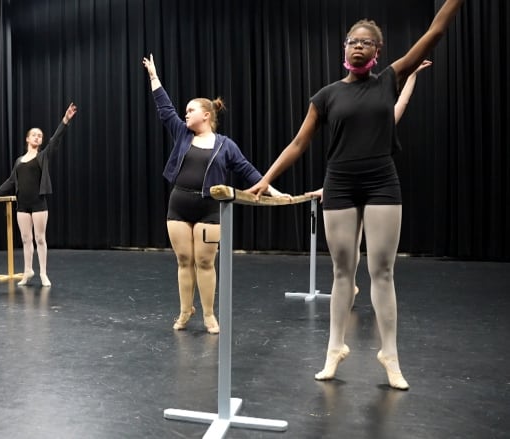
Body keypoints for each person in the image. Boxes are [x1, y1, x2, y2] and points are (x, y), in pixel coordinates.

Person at [245, 0, 464, 390]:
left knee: (382, 271)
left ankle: (390, 355)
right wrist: (266, 178)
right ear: (343, 49)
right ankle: (334, 350)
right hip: (340, 184)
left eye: (366, 42)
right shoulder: (326, 95)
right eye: (352, 41)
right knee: (342, 271)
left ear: (377, 52)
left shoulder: (389, 79)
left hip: (382, 181)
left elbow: (435, 33)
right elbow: (298, 143)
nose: (358, 46)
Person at [142, 54, 287, 335]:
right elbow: (164, 108)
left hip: (209, 208)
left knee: (206, 262)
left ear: (206, 115)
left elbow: (248, 170)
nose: (185, 114)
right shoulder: (182, 134)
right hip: (179, 204)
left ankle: (208, 314)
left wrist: (274, 191)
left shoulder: (225, 145)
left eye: (191, 110)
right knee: (184, 261)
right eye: (185, 111)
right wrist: (153, 76)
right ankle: (186, 310)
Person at [306, 60, 433, 304]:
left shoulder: (384, 123)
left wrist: (412, 76)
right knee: (349, 252)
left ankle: (357, 289)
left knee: (374, 255)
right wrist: (329, 188)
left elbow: (401, 103)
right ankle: (349, 285)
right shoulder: (341, 108)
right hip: (344, 184)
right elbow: (346, 158)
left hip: (376, 186)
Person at [0, 103, 78, 287]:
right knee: (26, 240)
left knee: (40, 239)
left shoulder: (43, 156)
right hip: (22, 205)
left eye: (40, 135)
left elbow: (55, 139)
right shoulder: (19, 161)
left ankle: (43, 273)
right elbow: (10, 181)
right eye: (34, 134)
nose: (37, 137)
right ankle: (27, 272)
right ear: (27, 138)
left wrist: (65, 120)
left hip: (38, 203)